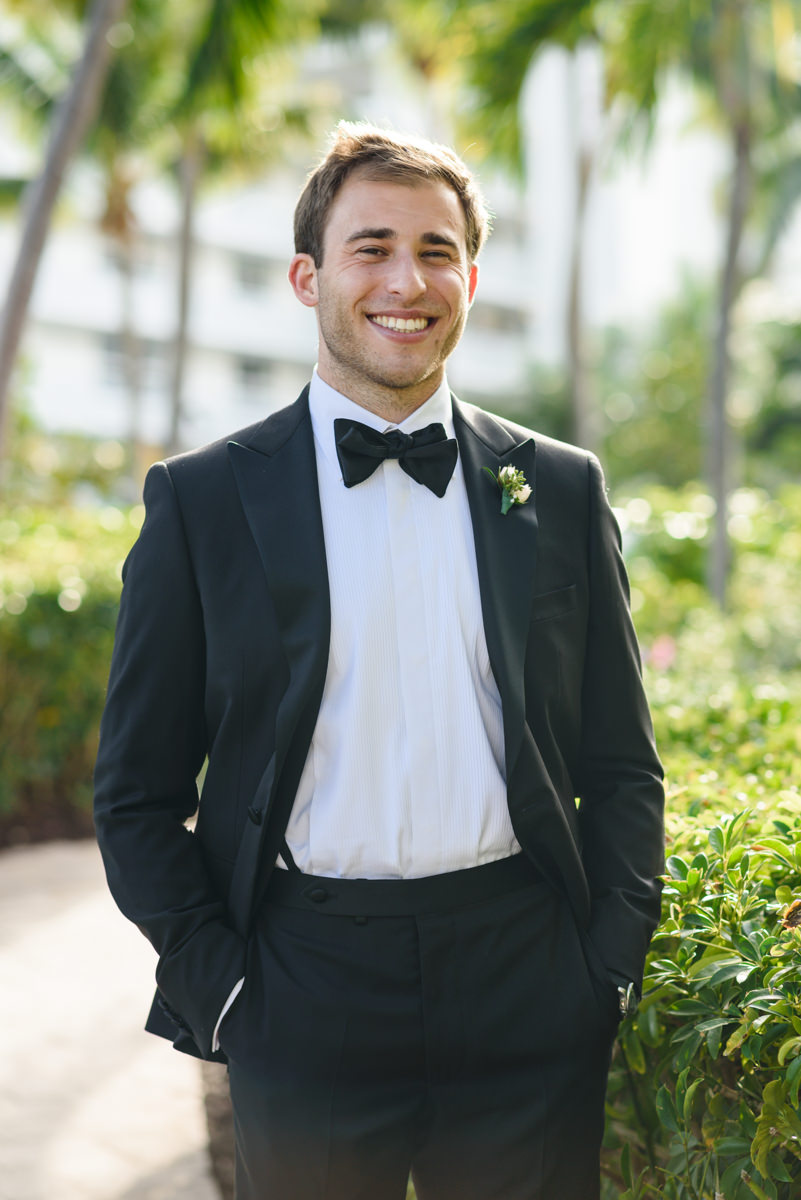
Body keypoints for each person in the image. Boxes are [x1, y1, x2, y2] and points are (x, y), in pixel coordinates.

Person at [94, 121, 665, 1200]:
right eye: (371, 248)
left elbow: (621, 760)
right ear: (308, 277)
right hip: (301, 982)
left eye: (436, 250)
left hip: (528, 978)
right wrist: (224, 989)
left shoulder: (562, 486)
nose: (407, 280)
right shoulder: (203, 501)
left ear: (472, 276)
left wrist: (607, 972)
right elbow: (135, 794)